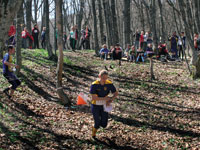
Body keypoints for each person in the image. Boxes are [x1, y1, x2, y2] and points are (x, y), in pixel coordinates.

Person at [90, 70, 118, 138]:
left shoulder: (109, 83)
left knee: (104, 124)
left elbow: (116, 93)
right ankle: (93, 135)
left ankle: (100, 126)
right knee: (97, 123)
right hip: (95, 105)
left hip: (104, 106)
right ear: (99, 76)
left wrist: (111, 100)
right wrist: (105, 99)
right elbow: (94, 98)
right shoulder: (94, 84)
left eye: (106, 78)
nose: (104, 80)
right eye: (103, 78)